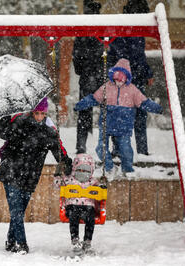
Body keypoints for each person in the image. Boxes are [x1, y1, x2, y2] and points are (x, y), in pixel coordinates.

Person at [0, 97, 73, 254]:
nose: (39, 117)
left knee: (18, 211)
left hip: (30, 176)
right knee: (16, 211)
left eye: (42, 114)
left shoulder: (48, 132)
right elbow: (4, 133)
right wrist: (5, 116)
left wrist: (66, 162)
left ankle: (11, 241)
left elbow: (58, 149)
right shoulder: (19, 122)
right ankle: (22, 244)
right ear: (32, 112)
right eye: (37, 113)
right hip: (11, 171)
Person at [74, 59, 162, 176]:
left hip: (124, 125)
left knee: (125, 149)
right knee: (101, 148)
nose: (118, 81)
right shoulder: (107, 87)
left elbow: (144, 102)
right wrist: (80, 105)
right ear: (112, 76)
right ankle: (110, 167)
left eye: (121, 78)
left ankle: (127, 169)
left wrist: (157, 108)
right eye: (116, 78)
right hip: (106, 123)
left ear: (127, 78)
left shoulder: (132, 90)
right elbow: (93, 98)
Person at [108, 0, 154, 156]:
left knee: (120, 114)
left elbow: (117, 54)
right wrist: (146, 72)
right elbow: (137, 55)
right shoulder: (135, 28)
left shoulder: (123, 27)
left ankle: (118, 149)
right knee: (138, 116)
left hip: (122, 78)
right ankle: (141, 150)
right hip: (134, 77)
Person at [72, 0, 103, 154]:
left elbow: (76, 54)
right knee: (108, 112)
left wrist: (81, 70)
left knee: (84, 112)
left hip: (86, 76)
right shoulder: (102, 28)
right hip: (100, 76)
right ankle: (110, 146)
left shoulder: (82, 29)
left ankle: (81, 144)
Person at [54, 153, 99, 255]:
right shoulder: (70, 179)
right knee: (74, 216)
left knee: (90, 218)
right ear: (75, 169)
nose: (83, 172)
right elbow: (57, 184)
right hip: (72, 206)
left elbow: (100, 190)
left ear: (91, 171)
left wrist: (103, 186)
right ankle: (75, 240)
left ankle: (87, 241)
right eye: (80, 170)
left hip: (88, 207)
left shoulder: (93, 181)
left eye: (86, 170)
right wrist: (57, 175)